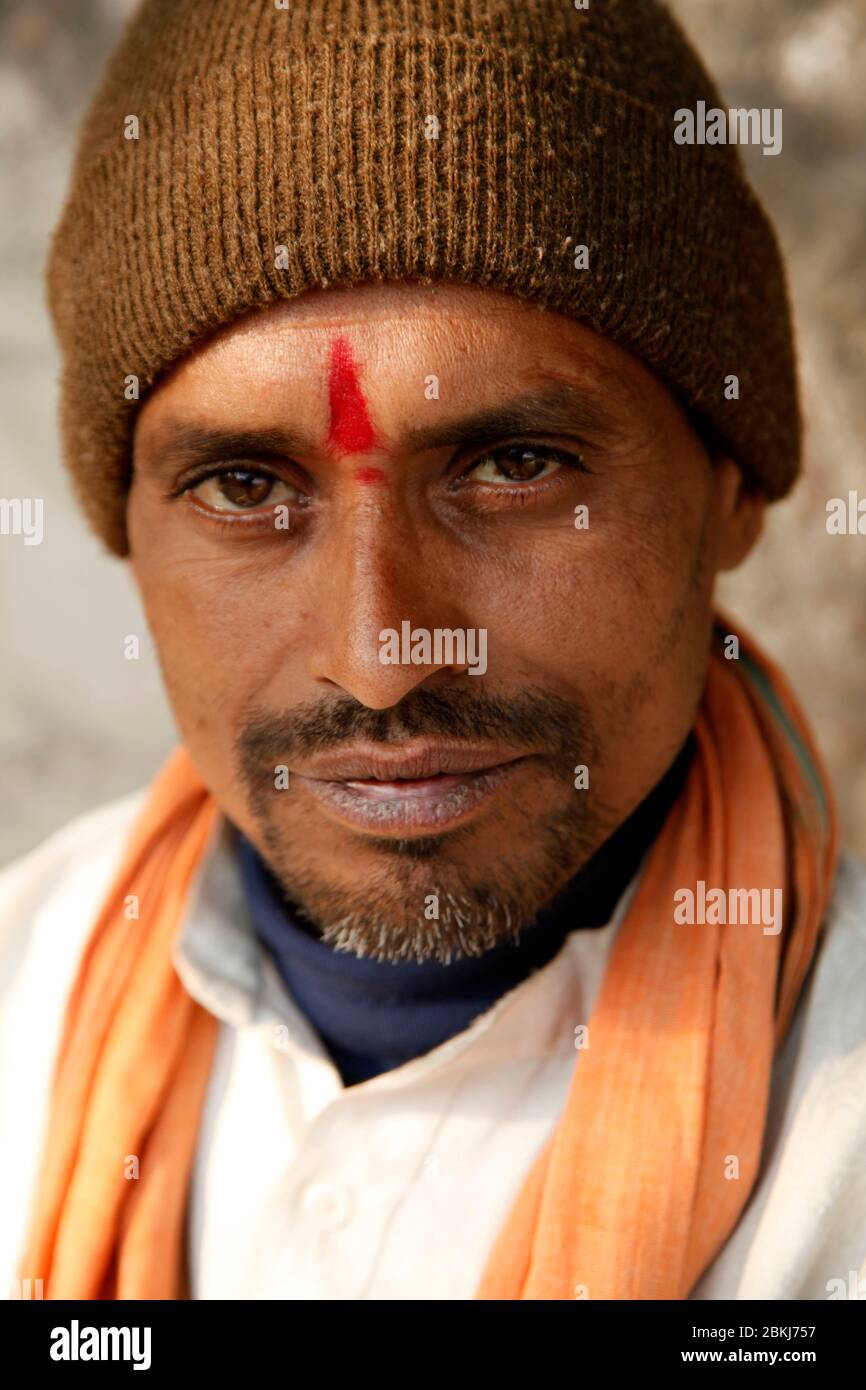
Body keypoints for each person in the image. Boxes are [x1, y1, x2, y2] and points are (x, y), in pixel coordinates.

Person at [2, 0, 864, 1302]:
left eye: (514, 464)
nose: (378, 657)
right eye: (243, 487)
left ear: (731, 484)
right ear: (120, 521)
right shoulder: (24, 983)